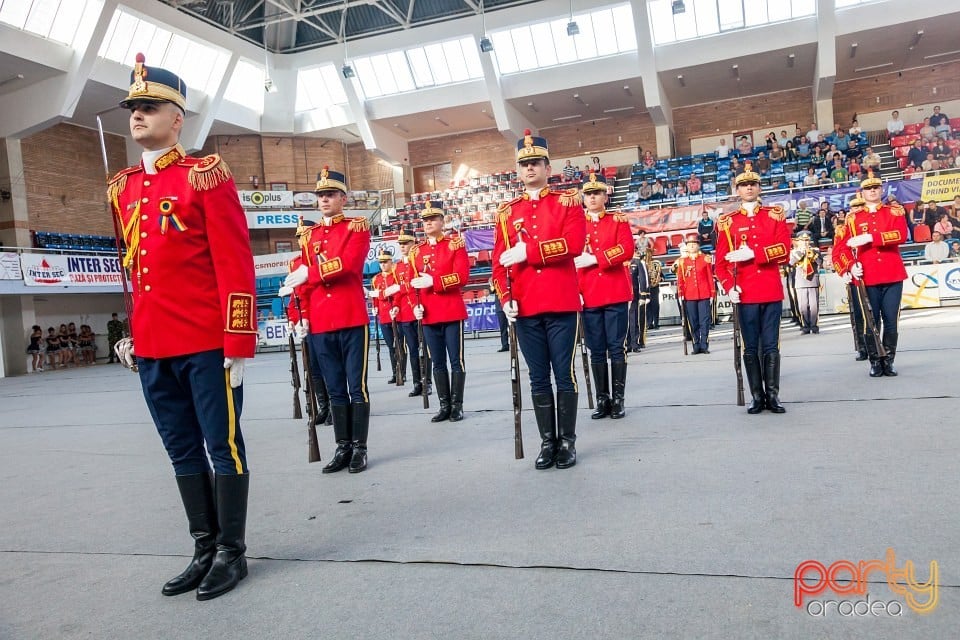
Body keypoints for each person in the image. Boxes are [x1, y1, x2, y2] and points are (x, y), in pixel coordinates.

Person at [109, 54, 257, 601]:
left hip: (205, 343)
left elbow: (235, 263)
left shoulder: (205, 176)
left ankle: (231, 553)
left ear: (178, 118)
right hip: (153, 346)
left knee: (224, 447)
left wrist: (238, 340)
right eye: (133, 108)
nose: (137, 115)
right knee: (180, 451)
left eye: (149, 107)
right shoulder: (122, 187)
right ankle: (203, 546)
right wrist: (132, 333)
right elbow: (135, 270)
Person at [492, 129, 585, 470]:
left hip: (560, 302)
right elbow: (498, 263)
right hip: (526, 305)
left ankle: (568, 442)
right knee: (537, 377)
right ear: (518, 171)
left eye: (535, 163)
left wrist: (528, 251)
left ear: (548, 167)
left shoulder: (567, 203)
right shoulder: (506, 213)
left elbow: (572, 245)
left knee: (564, 375)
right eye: (524, 164)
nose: (529, 168)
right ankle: (548, 441)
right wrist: (505, 299)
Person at [283, 167, 371, 474]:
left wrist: (312, 272)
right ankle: (342, 446)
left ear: (343, 198)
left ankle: (360, 447)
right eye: (321, 196)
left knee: (355, 387)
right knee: (334, 388)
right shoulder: (310, 236)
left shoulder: (356, 228)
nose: (324, 200)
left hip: (350, 316)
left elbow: (349, 265)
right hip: (320, 321)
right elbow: (304, 283)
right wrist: (302, 316)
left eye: (330, 194)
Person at [715, 162, 791, 414]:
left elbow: (783, 250)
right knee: (750, 347)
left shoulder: (774, 215)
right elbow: (720, 263)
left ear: (759, 187)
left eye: (752, 184)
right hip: (744, 292)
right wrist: (729, 286)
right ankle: (756, 396)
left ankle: (773, 394)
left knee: (771, 345)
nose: (748, 188)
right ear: (737, 190)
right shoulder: (727, 222)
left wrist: (754, 253)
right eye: (743, 185)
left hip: (769, 290)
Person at [833, 170, 908, 377]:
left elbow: (901, 235)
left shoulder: (894, 212)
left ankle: (889, 360)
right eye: (868, 188)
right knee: (870, 321)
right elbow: (842, 248)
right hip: (867, 275)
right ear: (862, 192)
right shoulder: (853, 218)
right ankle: (875, 361)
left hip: (892, 274)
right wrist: (849, 266)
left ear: (881, 190)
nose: (872, 191)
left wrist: (870, 238)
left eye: (875, 187)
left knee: (891, 320)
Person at [575, 173, 633, 419]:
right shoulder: (576, 224)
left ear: (605, 195)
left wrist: (597, 259)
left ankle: (618, 399)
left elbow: (626, 248)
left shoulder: (618, 220)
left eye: (596, 193)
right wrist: (575, 291)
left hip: (615, 292)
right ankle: (603, 399)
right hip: (588, 294)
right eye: (588, 194)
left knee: (616, 347)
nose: (592, 197)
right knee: (595, 349)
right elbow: (570, 260)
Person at [410, 200, 470, 423]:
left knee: (456, 360)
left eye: (433, 219)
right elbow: (410, 283)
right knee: (437, 362)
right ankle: (444, 405)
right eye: (425, 220)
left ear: (442, 221)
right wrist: (414, 304)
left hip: (451, 311)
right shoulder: (417, 251)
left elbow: (461, 277)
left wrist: (433, 281)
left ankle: (457, 405)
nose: (428, 223)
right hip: (428, 313)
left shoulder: (455, 245)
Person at [394, 228, 430, 398]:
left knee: (425, 349)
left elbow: (415, 285)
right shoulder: (397, 267)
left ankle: (427, 382)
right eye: (400, 244)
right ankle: (417, 382)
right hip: (406, 314)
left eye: (406, 243)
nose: (403, 246)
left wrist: (400, 288)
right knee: (413, 350)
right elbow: (397, 293)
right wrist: (395, 305)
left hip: (422, 310)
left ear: (413, 243)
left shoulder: (418, 261)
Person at [833, 192, 869, 361]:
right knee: (858, 314)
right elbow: (837, 254)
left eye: (861, 206)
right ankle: (862, 347)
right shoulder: (842, 229)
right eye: (854, 207)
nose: (857, 210)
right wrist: (844, 271)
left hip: (871, 273)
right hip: (854, 277)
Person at [675, 236, 715, 354]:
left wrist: (712, 293)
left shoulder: (705, 259)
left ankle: (704, 345)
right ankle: (696, 345)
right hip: (689, 295)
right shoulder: (682, 261)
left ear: (698, 245)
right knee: (693, 322)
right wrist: (680, 293)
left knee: (704, 321)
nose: (692, 245)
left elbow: (709, 277)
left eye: (694, 243)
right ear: (686, 246)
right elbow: (680, 279)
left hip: (704, 294)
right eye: (689, 243)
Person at [368, 251, 402, 384]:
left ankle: (402, 372)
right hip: (383, 316)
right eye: (381, 263)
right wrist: (374, 306)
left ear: (391, 262)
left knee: (399, 345)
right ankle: (395, 372)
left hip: (395, 314)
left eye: (385, 262)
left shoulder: (395, 276)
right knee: (390, 346)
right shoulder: (376, 278)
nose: (383, 265)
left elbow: (397, 294)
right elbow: (375, 296)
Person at [789, 232, 822, 334]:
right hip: (800, 280)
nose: (805, 242)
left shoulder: (815, 250)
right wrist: (801, 253)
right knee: (802, 306)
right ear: (798, 241)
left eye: (807, 240)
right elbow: (790, 263)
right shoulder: (794, 252)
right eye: (803, 240)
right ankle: (805, 326)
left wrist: (814, 255)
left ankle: (814, 326)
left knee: (814, 306)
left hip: (813, 280)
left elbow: (820, 262)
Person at [645, 249, 662, 330]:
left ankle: (656, 322)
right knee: (647, 306)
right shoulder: (642, 264)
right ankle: (649, 323)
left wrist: (660, 279)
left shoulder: (656, 264)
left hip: (655, 287)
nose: (648, 255)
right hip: (646, 288)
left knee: (655, 305)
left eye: (649, 253)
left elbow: (661, 275)